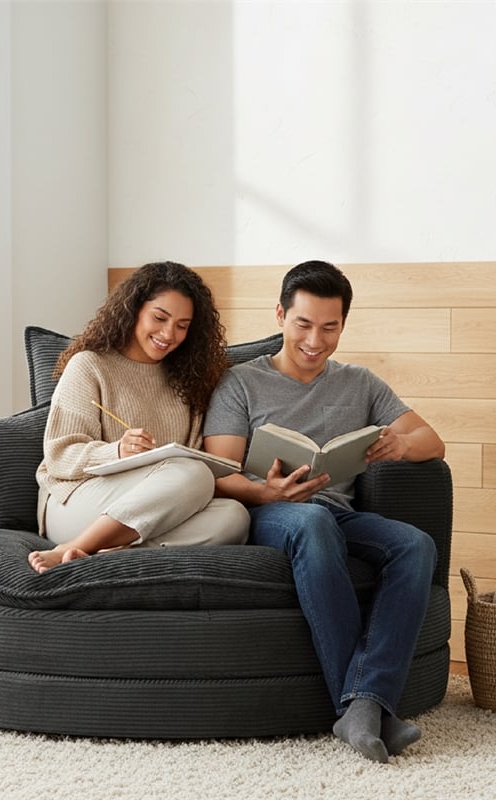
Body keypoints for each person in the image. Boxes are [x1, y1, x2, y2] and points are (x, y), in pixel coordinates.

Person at [203, 260, 445, 763]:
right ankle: (365, 706)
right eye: (303, 324)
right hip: (272, 514)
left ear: (342, 325)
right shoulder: (239, 383)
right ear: (280, 316)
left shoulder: (360, 383)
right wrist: (264, 492)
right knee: (311, 521)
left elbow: (432, 440)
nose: (316, 340)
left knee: (415, 545)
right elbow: (218, 472)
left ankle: (364, 704)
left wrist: (399, 446)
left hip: (339, 513)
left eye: (329, 327)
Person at [28, 261, 250, 574]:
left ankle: (113, 555)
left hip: (149, 509)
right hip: (74, 501)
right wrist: (116, 450)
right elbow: (60, 456)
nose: (168, 334)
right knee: (195, 474)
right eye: (160, 318)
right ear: (133, 309)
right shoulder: (89, 365)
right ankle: (73, 546)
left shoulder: (189, 381)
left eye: (182, 326)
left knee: (234, 516)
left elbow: (188, 470)